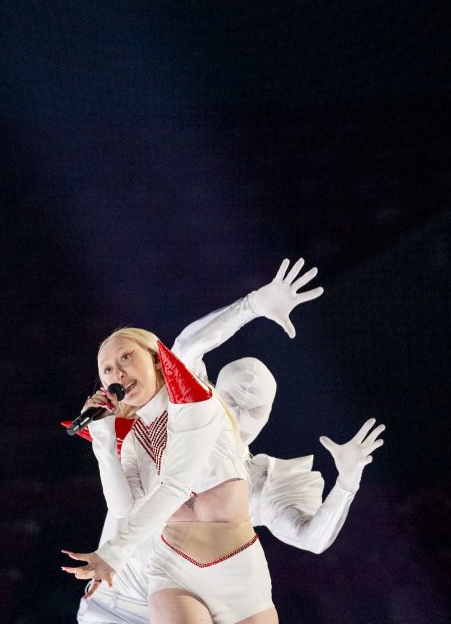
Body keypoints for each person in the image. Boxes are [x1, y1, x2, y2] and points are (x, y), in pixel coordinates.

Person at [62, 259, 374, 623]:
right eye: (108, 369)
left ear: (265, 415)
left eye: (251, 405)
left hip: (231, 572)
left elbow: (312, 538)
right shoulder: (160, 420)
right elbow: (188, 345)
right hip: (130, 593)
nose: (239, 408)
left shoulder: (253, 472)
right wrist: (102, 436)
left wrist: (347, 481)